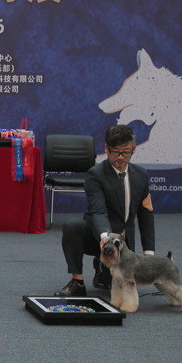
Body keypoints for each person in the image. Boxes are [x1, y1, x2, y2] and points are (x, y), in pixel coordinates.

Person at [55, 124, 155, 297]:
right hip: (97, 236)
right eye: (115, 152)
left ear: (134, 149)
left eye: (126, 152)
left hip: (123, 245)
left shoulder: (141, 175)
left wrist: (149, 253)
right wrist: (105, 237)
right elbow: (97, 211)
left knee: (119, 288)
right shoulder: (95, 174)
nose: (121, 157)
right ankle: (77, 282)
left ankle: (101, 270)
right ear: (106, 149)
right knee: (72, 226)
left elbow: (146, 214)